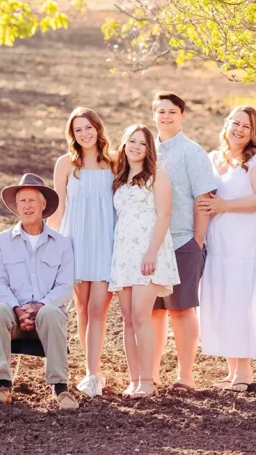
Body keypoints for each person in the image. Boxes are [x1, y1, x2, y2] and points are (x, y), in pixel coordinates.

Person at [196, 106, 256, 392]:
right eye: (235, 123)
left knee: (242, 300)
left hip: (247, 242)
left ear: (253, 130)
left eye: (246, 126)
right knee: (223, 301)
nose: (239, 129)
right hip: (219, 241)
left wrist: (223, 206)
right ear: (227, 124)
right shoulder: (213, 158)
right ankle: (232, 372)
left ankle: (244, 373)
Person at [0, 173, 79, 410]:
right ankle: (3, 386)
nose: (27, 206)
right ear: (16, 206)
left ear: (43, 204)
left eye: (32, 201)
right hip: (13, 318)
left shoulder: (62, 243)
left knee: (50, 312)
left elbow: (66, 286)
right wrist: (17, 309)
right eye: (22, 201)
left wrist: (38, 307)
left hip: (47, 318)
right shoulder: (1, 241)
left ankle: (61, 389)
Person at [150, 91, 217, 392]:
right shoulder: (144, 149)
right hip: (148, 246)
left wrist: (197, 242)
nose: (165, 116)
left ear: (182, 116)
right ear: (154, 115)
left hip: (181, 241)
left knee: (180, 309)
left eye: (172, 112)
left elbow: (204, 199)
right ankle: (150, 374)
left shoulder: (193, 153)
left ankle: (185, 375)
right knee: (152, 311)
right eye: (160, 111)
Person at [47, 106, 116, 399]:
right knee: (82, 310)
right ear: (72, 135)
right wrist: (53, 244)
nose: (85, 134)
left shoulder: (114, 163)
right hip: (75, 241)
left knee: (99, 310)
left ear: (98, 128)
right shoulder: (65, 164)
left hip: (105, 241)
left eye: (89, 127)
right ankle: (92, 371)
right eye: (78, 130)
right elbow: (58, 208)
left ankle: (92, 374)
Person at [109, 125, 178, 398]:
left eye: (142, 143)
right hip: (123, 253)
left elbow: (164, 215)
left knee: (141, 316)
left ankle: (148, 380)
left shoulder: (157, 176)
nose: (136, 146)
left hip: (149, 252)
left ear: (149, 148)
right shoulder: (119, 177)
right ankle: (134, 379)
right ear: (124, 145)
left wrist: (151, 252)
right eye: (131, 141)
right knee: (127, 319)